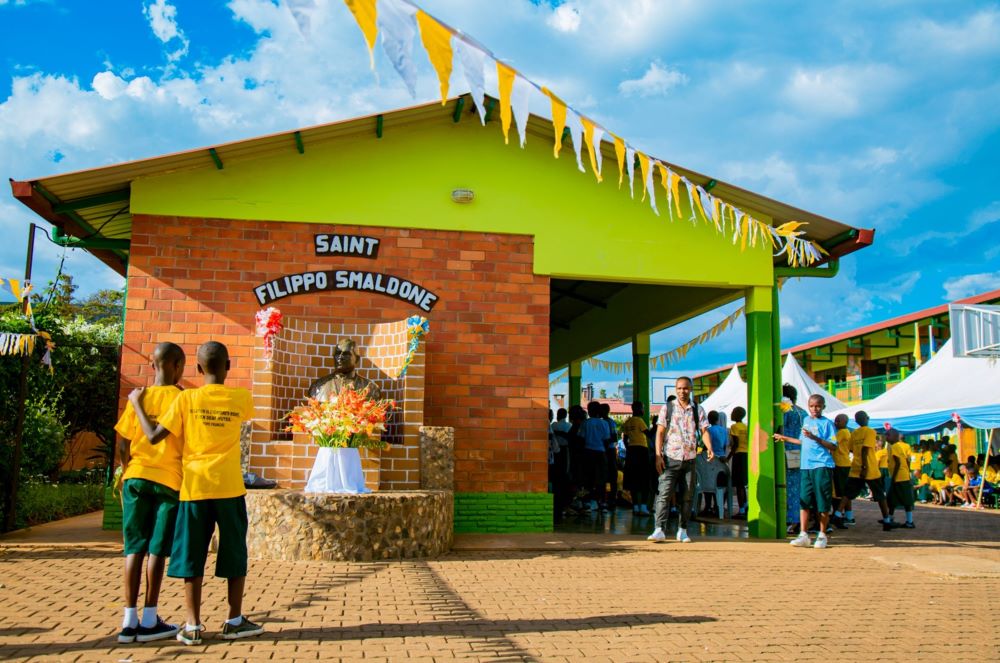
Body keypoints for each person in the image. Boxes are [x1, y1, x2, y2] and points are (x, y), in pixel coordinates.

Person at [130, 341, 263, 645]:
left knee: (192, 554)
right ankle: (234, 619)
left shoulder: (186, 399)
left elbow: (152, 437)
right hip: (229, 488)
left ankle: (192, 625)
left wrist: (137, 404)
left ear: (198, 369)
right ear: (228, 367)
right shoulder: (242, 398)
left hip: (194, 488)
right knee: (234, 552)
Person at [114, 342, 186, 644]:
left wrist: (130, 469)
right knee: (158, 550)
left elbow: (123, 445)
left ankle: (128, 620)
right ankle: (149, 617)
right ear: (178, 366)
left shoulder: (137, 398)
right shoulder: (182, 399)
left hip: (136, 478)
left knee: (134, 548)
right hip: (168, 480)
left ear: (152, 365)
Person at [647, 377, 711, 544]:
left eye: (686, 388)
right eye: (680, 388)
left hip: (690, 459)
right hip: (670, 458)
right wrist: (658, 455)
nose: (683, 391)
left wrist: (710, 447)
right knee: (664, 494)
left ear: (691, 389)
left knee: (687, 496)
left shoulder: (698, 409)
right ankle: (659, 529)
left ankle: (682, 530)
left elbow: (704, 430)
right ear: (676, 389)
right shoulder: (667, 408)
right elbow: (660, 432)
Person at [774, 394, 838, 549]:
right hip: (806, 466)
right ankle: (803, 534)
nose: (814, 409)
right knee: (804, 501)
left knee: (822, 501)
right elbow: (802, 441)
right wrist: (784, 438)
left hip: (822, 465)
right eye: (811, 406)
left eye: (817, 406)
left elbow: (833, 446)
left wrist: (815, 437)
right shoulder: (806, 421)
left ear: (823, 407)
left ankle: (822, 535)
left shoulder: (827, 423)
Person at [838, 411, 892, 531]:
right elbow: (865, 450)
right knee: (880, 495)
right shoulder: (870, 431)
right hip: (869, 469)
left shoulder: (855, 433)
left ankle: (837, 514)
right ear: (867, 418)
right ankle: (887, 520)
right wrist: (864, 467)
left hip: (856, 467)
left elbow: (851, 449)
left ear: (856, 421)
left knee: (848, 493)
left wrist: (859, 462)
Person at [780, 384, 806, 532]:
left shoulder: (784, 412)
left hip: (786, 451)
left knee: (788, 486)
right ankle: (798, 519)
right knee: (798, 486)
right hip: (800, 452)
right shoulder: (802, 412)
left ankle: (791, 519)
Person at [579, 401, 610, 513]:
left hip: (587, 452)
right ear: (599, 411)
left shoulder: (585, 423)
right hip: (600, 453)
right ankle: (601, 502)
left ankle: (587, 502)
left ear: (589, 410)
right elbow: (606, 440)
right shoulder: (604, 424)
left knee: (588, 478)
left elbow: (581, 439)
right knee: (601, 479)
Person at [621, 402, 651, 516]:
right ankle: (643, 506)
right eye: (643, 408)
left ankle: (635, 507)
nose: (643, 410)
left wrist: (628, 448)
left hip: (631, 451)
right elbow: (648, 434)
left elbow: (625, 438)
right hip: (641, 451)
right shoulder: (639, 421)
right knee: (644, 478)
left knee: (633, 479)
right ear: (638, 409)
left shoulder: (628, 422)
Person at [885, 428, 916, 528]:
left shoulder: (894, 447)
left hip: (900, 477)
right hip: (902, 476)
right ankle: (889, 518)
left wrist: (893, 477)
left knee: (905, 500)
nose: (886, 437)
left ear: (895, 436)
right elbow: (906, 461)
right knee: (892, 499)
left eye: (888, 435)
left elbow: (898, 463)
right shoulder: (896, 446)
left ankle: (909, 522)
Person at [830, 413, 853, 527]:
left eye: (838, 421)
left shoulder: (842, 432)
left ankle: (838, 515)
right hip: (843, 463)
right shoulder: (846, 432)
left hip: (840, 464)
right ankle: (849, 516)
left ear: (845, 422)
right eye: (835, 420)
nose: (836, 423)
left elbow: (831, 442)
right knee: (844, 491)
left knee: (839, 492)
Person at [728, 407, 749, 518]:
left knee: (739, 485)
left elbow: (735, 444)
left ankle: (741, 510)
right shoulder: (745, 427)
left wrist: (728, 457)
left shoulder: (734, 427)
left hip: (738, 455)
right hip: (746, 454)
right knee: (743, 483)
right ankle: (745, 505)